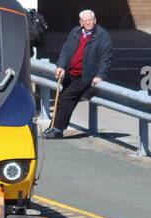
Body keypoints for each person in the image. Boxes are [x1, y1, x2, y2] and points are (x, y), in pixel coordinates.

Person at [44, 9, 112, 138]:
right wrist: (60, 66)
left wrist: (100, 75)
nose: (88, 23)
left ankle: (58, 130)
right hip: (71, 73)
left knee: (66, 98)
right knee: (61, 100)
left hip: (85, 76)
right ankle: (53, 127)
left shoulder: (102, 35)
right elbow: (66, 50)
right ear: (81, 22)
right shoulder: (75, 32)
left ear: (95, 20)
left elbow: (106, 57)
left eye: (90, 20)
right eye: (85, 21)